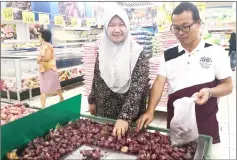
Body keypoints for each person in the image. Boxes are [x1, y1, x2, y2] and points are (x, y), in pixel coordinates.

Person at [137, 2, 233, 145]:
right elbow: (158, 84)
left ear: (198, 23)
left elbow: (228, 86)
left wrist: (209, 91)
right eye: (176, 28)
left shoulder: (216, 52)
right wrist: (150, 110)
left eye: (186, 26)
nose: (180, 32)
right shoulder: (168, 55)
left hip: (205, 123)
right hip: (178, 125)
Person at [88, 7, 149, 139]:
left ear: (127, 26)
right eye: (112, 25)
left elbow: (137, 89)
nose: (117, 30)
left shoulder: (138, 53)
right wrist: (92, 100)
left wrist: (125, 117)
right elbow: (97, 77)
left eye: (121, 25)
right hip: (104, 111)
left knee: (128, 146)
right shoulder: (102, 50)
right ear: (105, 28)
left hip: (129, 117)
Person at [37, 29, 64, 108]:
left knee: (55, 86)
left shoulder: (48, 46)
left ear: (43, 36)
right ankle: (43, 106)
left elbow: (48, 58)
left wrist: (39, 59)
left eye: (39, 35)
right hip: (43, 69)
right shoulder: (42, 46)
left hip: (49, 69)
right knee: (43, 89)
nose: (38, 36)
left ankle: (61, 97)